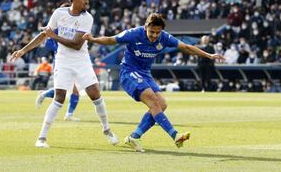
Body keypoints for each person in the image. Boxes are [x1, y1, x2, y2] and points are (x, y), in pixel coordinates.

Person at [82, 13, 225, 152]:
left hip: (145, 74)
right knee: (153, 100)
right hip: (129, 72)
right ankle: (175, 135)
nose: (155, 35)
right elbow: (111, 40)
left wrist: (209, 55)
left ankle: (134, 136)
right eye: (152, 32)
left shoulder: (164, 37)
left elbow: (186, 47)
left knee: (162, 104)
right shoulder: (134, 34)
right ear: (145, 27)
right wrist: (93, 39)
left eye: (158, 32)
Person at [10, 0, 118, 148]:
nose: (87, 1)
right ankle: (41, 138)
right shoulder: (59, 13)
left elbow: (76, 44)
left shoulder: (87, 18)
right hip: (63, 60)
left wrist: (54, 36)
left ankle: (106, 129)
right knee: (59, 97)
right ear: (73, 0)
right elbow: (43, 34)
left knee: (95, 94)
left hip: (81, 60)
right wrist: (23, 50)